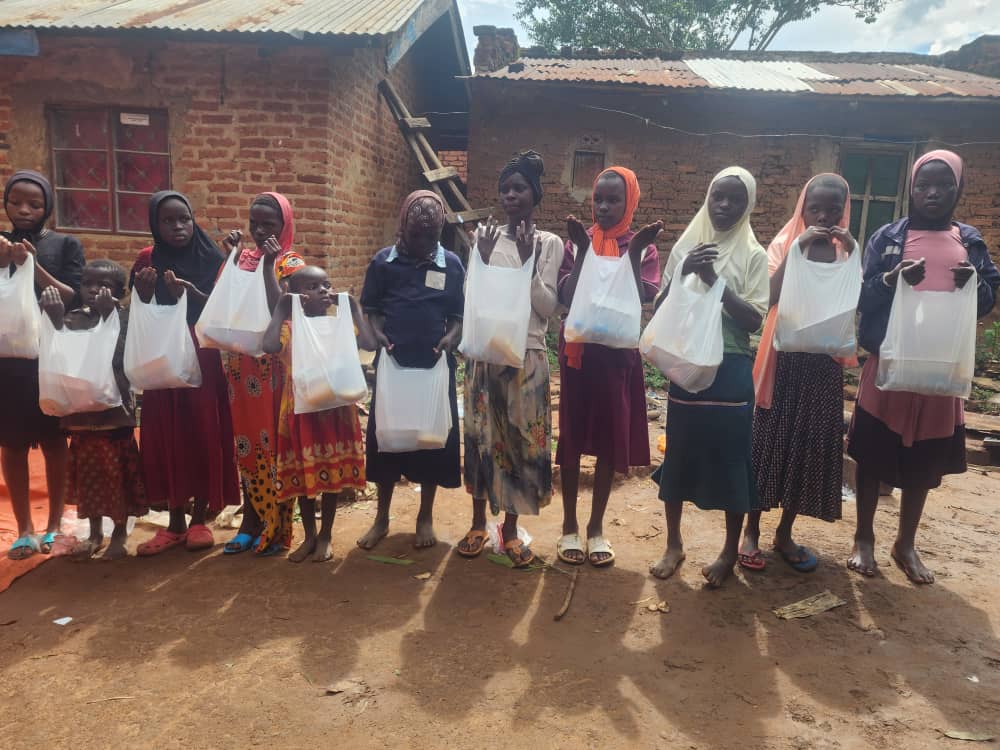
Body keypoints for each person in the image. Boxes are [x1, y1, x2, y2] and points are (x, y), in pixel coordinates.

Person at [847, 149, 1000, 584]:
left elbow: (988, 299)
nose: (933, 193)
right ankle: (864, 538)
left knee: (925, 459)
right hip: (890, 363)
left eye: (943, 185)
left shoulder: (969, 241)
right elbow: (862, 296)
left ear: (959, 189)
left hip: (940, 369)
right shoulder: (888, 238)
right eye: (923, 185)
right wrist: (892, 280)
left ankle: (906, 544)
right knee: (872, 452)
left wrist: (974, 284)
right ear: (911, 188)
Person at [650, 167, 769, 587]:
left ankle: (728, 551)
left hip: (730, 369)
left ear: (748, 205)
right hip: (686, 365)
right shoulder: (689, 246)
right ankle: (673, 544)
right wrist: (684, 272)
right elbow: (659, 306)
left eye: (735, 199)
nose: (723, 205)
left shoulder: (754, 255)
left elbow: (754, 319)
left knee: (732, 461)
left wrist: (714, 281)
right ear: (707, 197)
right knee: (679, 454)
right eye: (717, 196)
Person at [742, 174, 858, 573]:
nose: (823, 217)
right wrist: (797, 250)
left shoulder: (844, 253)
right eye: (815, 209)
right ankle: (751, 531)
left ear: (843, 211)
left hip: (822, 366)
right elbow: (769, 296)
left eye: (833, 209)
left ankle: (785, 532)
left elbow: (851, 301)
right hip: (783, 361)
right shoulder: (784, 243)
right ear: (802, 209)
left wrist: (852, 253)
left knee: (807, 448)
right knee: (768, 444)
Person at [458, 151, 563, 566]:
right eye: (505, 189)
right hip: (485, 354)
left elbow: (547, 307)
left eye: (519, 188)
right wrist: (482, 260)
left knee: (521, 442)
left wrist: (526, 261)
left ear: (535, 194)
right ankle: (477, 523)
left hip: (526, 357)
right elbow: (471, 298)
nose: (510, 195)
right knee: (481, 439)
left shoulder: (548, 243)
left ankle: (512, 529)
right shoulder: (484, 238)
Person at [556, 166, 662, 567]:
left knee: (607, 441)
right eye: (598, 198)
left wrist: (632, 254)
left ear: (629, 202)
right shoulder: (579, 241)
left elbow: (642, 296)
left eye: (613, 199)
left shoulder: (642, 247)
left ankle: (596, 527)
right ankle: (569, 524)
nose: (603, 206)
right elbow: (568, 296)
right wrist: (583, 251)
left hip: (617, 359)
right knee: (571, 437)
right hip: (579, 355)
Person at [130, 191, 240, 555]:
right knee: (168, 432)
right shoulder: (147, 259)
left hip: (202, 353)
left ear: (193, 220)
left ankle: (200, 520)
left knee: (202, 428)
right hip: (162, 356)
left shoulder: (212, 259)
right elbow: (139, 309)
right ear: (155, 225)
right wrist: (144, 293)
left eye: (184, 219)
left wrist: (193, 292)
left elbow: (224, 308)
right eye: (168, 220)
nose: (178, 227)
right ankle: (175, 522)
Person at [359, 190, 465, 550]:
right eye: (416, 235)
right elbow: (371, 308)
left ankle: (425, 516)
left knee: (431, 440)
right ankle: (381, 518)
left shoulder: (451, 264)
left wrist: (451, 337)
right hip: (393, 366)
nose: (423, 243)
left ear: (440, 231)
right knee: (386, 441)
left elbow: (457, 315)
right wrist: (377, 334)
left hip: (434, 365)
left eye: (431, 236)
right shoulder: (383, 263)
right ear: (403, 226)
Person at [263, 265, 375, 562]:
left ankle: (325, 535)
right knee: (303, 477)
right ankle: (310, 535)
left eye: (326, 285)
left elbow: (369, 344)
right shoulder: (290, 328)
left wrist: (354, 309)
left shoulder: (339, 325)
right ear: (297, 296)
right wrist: (281, 309)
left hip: (335, 411)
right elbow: (269, 345)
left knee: (332, 475)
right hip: (302, 412)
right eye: (312, 287)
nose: (324, 291)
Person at [1, 170, 84, 560]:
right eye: (15, 202)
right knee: (12, 443)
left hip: (49, 356)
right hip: (6, 362)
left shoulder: (64, 245)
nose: (24, 210)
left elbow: (73, 298)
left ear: (47, 206)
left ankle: (54, 524)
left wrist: (31, 265)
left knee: (54, 440)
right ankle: (24, 530)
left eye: (34, 204)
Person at [39, 260, 146, 559]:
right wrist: (54, 322)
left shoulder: (124, 319)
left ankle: (120, 533)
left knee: (116, 476)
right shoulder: (73, 319)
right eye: (87, 284)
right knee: (90, 478)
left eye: (104, 285)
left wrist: (109, 317)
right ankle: (96, 532)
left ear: (120, 292)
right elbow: (58, 356)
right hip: (81, 418)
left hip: (115, 419)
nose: (94, 290)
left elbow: (124, 357)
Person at [220, 192, 305, 556]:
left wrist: (269, 265)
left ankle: (276, 526)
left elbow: (281, 309)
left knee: (275, 446)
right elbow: (224, 302)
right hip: (241, 366)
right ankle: (250, 520)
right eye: (254, 223)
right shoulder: (242, 259)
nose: (259, 231)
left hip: (275, 367)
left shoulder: (292, 263)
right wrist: (230, 259)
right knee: (247, 444)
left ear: (284, 225)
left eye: (268, 224)